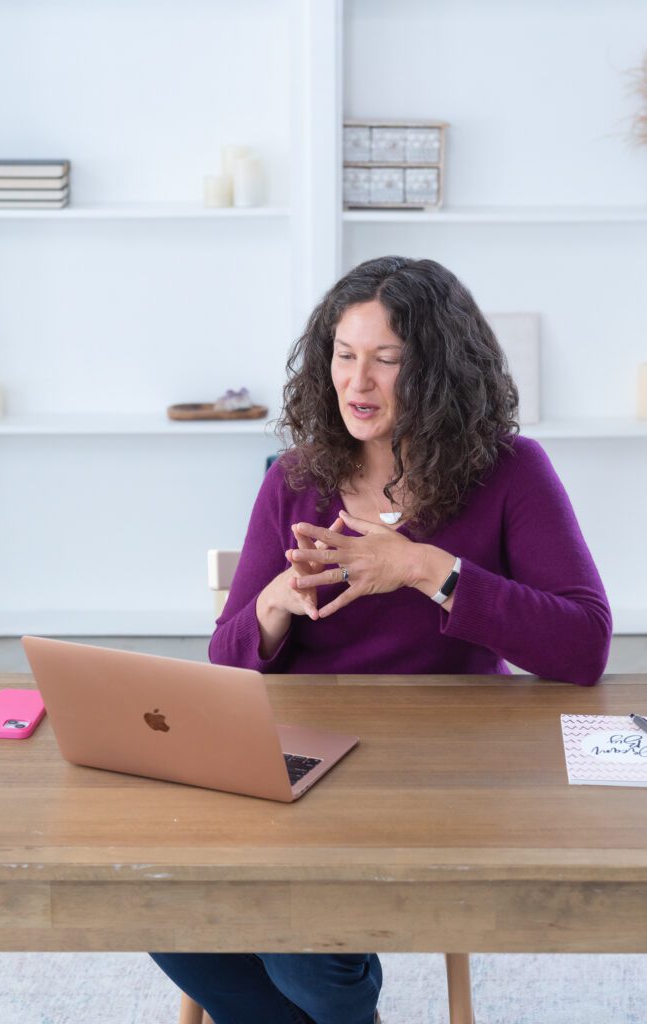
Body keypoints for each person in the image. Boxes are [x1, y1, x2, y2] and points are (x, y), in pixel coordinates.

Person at [150, 256, 612, 1024]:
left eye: (386, 360)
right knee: (161, 903)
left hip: (445, 767)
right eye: (343, 355)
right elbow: (225, 660)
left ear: (436, 371)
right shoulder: (295, 478)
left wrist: (428, 569)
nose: (357, 382)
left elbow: (584, 645)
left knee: (303, 945)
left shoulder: (509, 472)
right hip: (301, 753)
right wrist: (271, 606)